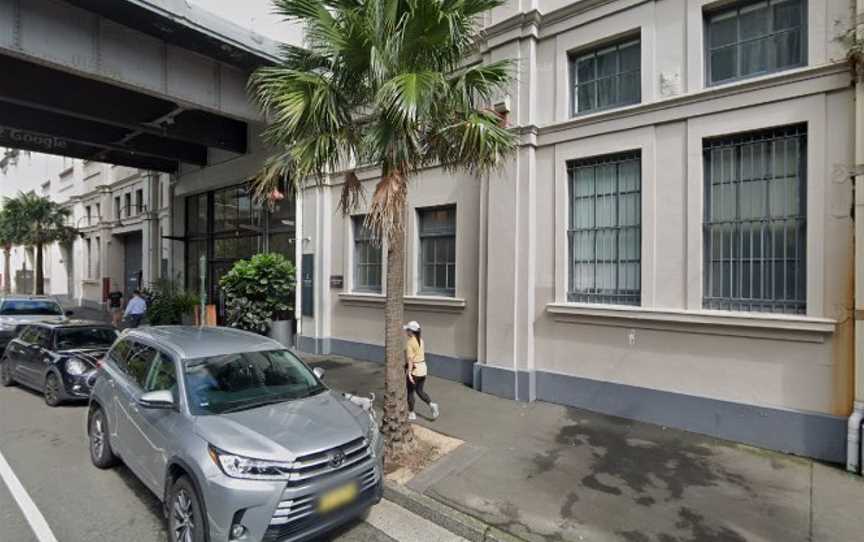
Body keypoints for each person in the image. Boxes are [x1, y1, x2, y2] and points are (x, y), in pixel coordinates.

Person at [403, 320, 439, 421]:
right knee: (420, 390)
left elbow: (410, 360)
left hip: (415, 370)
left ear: (411, 331)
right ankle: (432, 404)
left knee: (410, 392)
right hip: (423, 369)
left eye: (407, 330)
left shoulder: (410, 342)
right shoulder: (421, 341)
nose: (406, 332)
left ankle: (411, 413)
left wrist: (409, 373)